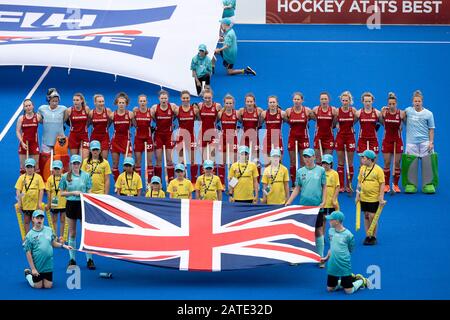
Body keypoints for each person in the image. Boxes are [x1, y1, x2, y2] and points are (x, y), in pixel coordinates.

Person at [285, 148, 326, 263]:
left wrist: (323, 201)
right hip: (304, 207)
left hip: (317, 207)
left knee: (318, 231)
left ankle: (320, 257)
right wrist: (289, 201)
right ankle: (298, 257)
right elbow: (297, 188)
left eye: (309, 157)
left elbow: (324, 187)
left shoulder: (321, 170)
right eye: (305, 157)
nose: (307, 159)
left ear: (314, 157)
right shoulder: (300, 171)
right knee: (301, 232)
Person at [321, 211, 369, 294]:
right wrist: (326, 258)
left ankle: (362, 281)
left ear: (337, 221)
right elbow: (332, 247)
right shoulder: (330, 231)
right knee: (330, 289)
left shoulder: (349, 235)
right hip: (332, 264)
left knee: (348, 291)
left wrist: (342, 257)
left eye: (331, 220)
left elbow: (350, 249)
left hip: (344, 264)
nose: (329, 221)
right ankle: (346, 281)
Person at [59, 154, 94, 269]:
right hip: (71, 205)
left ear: (80, 164)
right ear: (71, 164)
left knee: (86, 232)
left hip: (83, 204)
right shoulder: (65, 176)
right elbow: (61, 193)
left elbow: (89, 190)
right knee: (72, 232)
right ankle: (72, 259)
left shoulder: (86, 175)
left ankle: (89, 259)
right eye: (74, 163)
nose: (76, 165)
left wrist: (86, 195)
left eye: (77, 163)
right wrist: (72, 193)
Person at [23, 210, 73, 289]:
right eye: (37, 218)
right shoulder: (29, 235)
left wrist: (63, 246)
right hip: (37, 265)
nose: (39, 220)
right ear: (33, 219)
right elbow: (28, 252)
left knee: (48, 286)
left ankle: (40, 275)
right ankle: (28, 274)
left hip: (48, 264)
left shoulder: (49, 230)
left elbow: (53, 243)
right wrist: (33, 269)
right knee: (38, 286)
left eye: (41, 218)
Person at [402, 90, 437, 194]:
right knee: (411, 164)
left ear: (422, 102)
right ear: (412, 102)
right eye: (415, 101)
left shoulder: (429, 114)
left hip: (425, 143)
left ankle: (428, 184)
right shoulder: (408, 111)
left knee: (428, 163)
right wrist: (385, 109)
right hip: (411, 143)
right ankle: (411, 185)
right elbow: (400, 116)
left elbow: (431, 129)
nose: (417, 103)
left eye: (419, 101)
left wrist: (431, 142)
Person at [355, 150, 386, 246]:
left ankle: (373, 236)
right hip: (364, 197)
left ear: (369, 159)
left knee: (373, 217)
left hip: (374, 198)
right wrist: (357, 195)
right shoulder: (362, 169)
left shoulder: (378, 170)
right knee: (366, 216)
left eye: (363, 157)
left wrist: (381, 197)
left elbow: (382, 184)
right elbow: (359, 182)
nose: (361, 159)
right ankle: (368, 235)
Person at [284, 92, 313, 185]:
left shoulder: (307, 111)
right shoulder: (288, 111)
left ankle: (303, 183)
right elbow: (286, 120)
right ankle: (294, 183)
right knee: (293, 161)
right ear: (293, 100)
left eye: (298, 99)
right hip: (292, 138)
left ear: (302, 100)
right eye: (295, 99)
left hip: (303, 138)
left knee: (304, 161)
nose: (296, 101)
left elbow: (316, 119)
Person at [381, 92, 405, 193]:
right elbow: (381, 123)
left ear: (396, 103)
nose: (391, 106)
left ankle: (395, 185)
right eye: (389, 104)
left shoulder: (401, 113)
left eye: (393, 104)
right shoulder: (384, 112)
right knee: (387, 163)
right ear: (387, 104)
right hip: (387, 141)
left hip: (398, 141)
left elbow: (404, 125)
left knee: (397, 163)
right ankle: (386, 185)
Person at [151, 90, 177, 182]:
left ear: (168, 98)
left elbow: (181, 114)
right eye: (162, 98)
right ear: (159, 99)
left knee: (170, 160)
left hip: (169, 135)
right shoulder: (154, 108)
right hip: (158, 136)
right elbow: (152, 119)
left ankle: (171, 181)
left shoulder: (173, 107)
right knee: (158, 160)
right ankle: (158, 182)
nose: (164, 100)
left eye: (165, 98)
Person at [15, 158, 45, 234]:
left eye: (31, 167)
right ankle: (28, 237)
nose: (29, 169)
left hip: (35, 205)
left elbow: (41, 190)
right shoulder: (21, 178)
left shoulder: (38, 177)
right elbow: (18, 190)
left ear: (34, 167)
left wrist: (39, 202)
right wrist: (19, 202)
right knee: (26, 221)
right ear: (25, 168)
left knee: (36, 222)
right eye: (28, 167)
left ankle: (36, 237)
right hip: (26, 204)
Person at [335, 91, 357, 193]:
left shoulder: (353, 111)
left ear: (350, 101)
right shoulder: (337, 111)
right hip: (340, 137)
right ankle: (341, 185)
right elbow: (334, 122)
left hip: (350, 137)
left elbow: (356, 120)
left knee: (350, 162)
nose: (344, 102)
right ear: (341, 101)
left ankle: (349, 185)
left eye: (346, 100)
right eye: (343, 100)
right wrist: (336, 126)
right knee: (340, 162)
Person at [174, 90, 199, 181]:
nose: (185, 99)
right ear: (181, 98)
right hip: (181, 136)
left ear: (190, 98)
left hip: (191, 136)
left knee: (193, 160)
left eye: (187, 98)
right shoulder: (177, 110)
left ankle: (193, 181)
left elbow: (202, 121)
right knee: (181, 160)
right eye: (184, 98)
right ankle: (182, 180)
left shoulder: (195, 110)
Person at [110, 92, 135, 182]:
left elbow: (135, 125)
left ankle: (128, 184)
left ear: (126, 104)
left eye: (123, 103)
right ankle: (118, 184)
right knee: (115, 164)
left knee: (128, 163)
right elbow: (107, 126)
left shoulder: (130, 114)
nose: (121, 104)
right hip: (116, 141)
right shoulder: (113, 115)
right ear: (117, 103)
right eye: (119, 103)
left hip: (126, 141)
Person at [38, 88, 68, 153]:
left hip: (60, 141)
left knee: (59, 161)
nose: (54, 103)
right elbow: (39, 120)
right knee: (46, 162)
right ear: (49, 100)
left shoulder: (64, 109)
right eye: (53, 101)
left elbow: (65, 119)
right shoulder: (42, 109)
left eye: (56, 101)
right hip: (46, 141)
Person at [237, 93, 263, 168]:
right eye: (247, 102)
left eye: (251, 101)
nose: (249, 103)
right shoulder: (241, 111)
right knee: (243, 160)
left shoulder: (259, 111)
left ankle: (256, 179)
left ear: (254, 102)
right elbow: (240, 121)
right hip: (245, 139)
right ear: (245, 102)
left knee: (256, 161)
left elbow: (261, 121)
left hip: (255, 138)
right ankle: (243, 178)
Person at [321, 154, 340, 254]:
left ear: (331, 164)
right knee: (323, 219)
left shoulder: (335, 174)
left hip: (331, 202)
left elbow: (337, 187)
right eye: (323, 163)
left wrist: (334, 199)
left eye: (327, 163)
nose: (325, 165)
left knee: (333, 220)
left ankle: (333, 236)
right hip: (323, 201)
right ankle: (322, 236)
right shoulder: (320, 172)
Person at [198, 87, 221, 169]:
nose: (207, 100)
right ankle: (202, 179)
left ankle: (213, 179)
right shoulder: (200, 106)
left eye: (209, 98)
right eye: (205, 98)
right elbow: (199, 118)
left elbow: (219, 118)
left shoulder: (217, 106)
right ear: (203, 97)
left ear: (212, 97)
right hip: (202, 133)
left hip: (213, 134)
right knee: (202, 158)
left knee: (212, 158)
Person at [16, 99, 41, 174]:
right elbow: (17, 131)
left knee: (36, 166)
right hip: (23, 144)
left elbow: (47, 124)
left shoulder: (38, 117)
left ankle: (36, 184)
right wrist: (22, 142)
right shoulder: (21, 118)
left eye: (29, 105)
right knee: (23, 166)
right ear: (24, 108)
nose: (28, 107)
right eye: (26, 106)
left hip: (34, 144)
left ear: (33, 106)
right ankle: (23, 184)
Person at [218, 94, 239, 185]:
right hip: (223, 139)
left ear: (233, 104)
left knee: (234, 163)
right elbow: (213, 122)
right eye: (227, 103)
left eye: (230, 103)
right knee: (222, 163)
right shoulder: (220, 113)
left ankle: (233, 184)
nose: (228, 105)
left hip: (233, 139)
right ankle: (222, 184)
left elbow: (243, 122)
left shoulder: (237, 113)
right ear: (224, 104)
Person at [133, 94, 154, 181]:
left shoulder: (151, 111)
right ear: (138, 102)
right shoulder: (135, 112)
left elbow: (158, 121)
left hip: (148, 138)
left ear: (147, 102)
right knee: (138, 162)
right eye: (141, 101)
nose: (142, 102)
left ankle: (149, 183)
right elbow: (134, 124)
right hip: (138, 139)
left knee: (149, 162)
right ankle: (138, 183)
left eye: (144, 101)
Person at [311, 92, 337, 163]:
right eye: (322, 99)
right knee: (318, 161)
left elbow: (335, 123)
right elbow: (309, 117)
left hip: (329, 137)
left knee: (327, 161)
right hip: (318, 137)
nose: (323, 101)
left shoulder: (333, 110)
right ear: (319, 100)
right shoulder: (315, 109)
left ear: (329, 100)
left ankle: (328, 174)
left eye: (325, 99)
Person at [45, 160, 67, 242]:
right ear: (52, 169)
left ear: (62, 169)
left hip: (63, 203)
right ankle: (54, 236)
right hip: (54, 204)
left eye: (59, 169)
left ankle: (61, 236)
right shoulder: (50, 179)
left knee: (62, 220)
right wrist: (48, 204)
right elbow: (48, 192)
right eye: (55, 168)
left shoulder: (65, 178)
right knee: (54, 220)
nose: (57, 170)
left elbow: (68, 191)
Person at [66, 93, 90, 159]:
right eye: (74, 100)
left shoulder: (86, 109)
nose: (75, 102)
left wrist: (85, 127)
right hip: (73, 136)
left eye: (77, 100)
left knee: (85, 159)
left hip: (84, 136)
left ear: (81, 100)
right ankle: (73, 169)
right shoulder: (69, 110)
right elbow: (63, 120)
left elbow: (89, 121)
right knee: (74, 159)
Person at [88, 94, 112, 160]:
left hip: (105, 137)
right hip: (94, 137)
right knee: (94, 158)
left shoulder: (108, 111)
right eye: (99, 102)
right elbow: (87, 125)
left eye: (102, 101)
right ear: (95, 103)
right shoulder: (91, 113)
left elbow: (110, 122)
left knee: (104, 158)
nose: (102, 103)